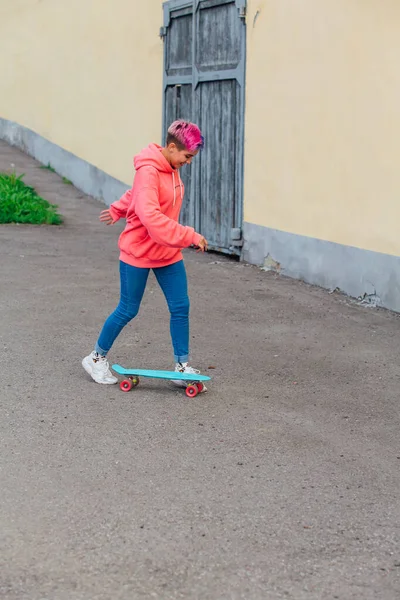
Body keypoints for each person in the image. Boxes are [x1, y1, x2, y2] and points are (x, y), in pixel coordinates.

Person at [82, 120, 208, 388]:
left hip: (167, 252)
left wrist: (119, 207)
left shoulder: (171, 168)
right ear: (172, 147)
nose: (188, 162)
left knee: (180, 307)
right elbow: (150, 213)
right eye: (187, 156)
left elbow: (137, 194)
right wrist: (189, 235)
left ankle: (182, 365)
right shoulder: (149, 171)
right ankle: (95, 358)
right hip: (138, 252)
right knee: (127, 309)